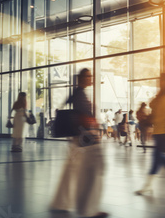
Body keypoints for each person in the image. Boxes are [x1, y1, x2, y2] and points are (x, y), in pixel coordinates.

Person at [50, 68, 108, 218]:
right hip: (86, 138)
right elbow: (86, 117)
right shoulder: (80, 95)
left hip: (78, 138)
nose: (91, 78)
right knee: (94, 171)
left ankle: (61, 202)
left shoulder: (76, 93)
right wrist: (95, 127)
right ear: (82, 78)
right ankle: (89, 209)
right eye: (88, 76)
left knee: (71, 171)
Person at [135, 73, 165, 195]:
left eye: (163, 81)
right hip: (157, 132)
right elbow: (154, 115)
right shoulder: (160, 97)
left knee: (156, 158)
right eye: (160, 81)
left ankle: (147, 186)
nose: (161, 83)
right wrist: (147, 119)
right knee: (159, 158)